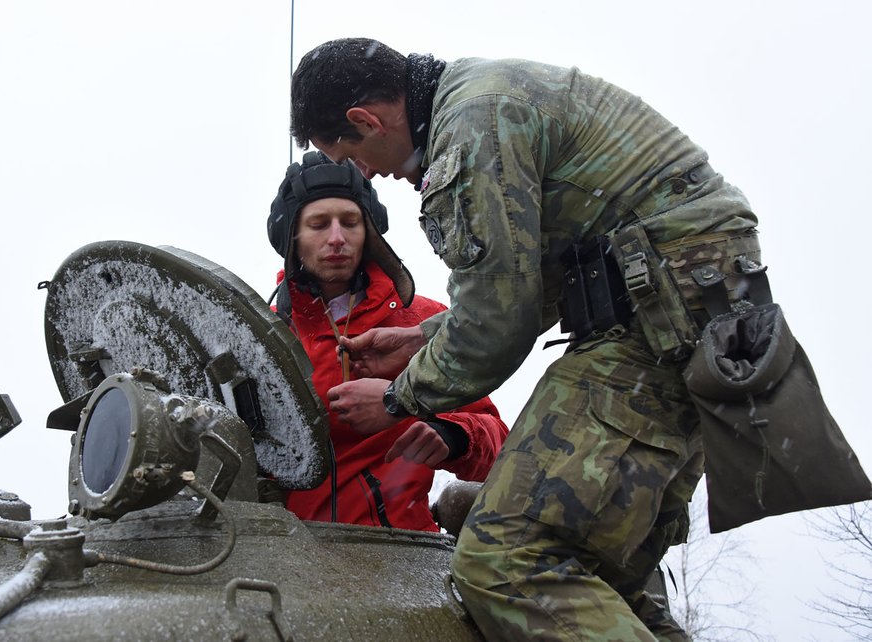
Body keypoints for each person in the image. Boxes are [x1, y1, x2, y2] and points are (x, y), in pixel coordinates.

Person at [288, 37, 768, 641]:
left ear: (366, 121)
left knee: (504, 558)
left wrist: (394, 399)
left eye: (350, 155)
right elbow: (532, 283)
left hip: (654, 325)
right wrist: (421, 342)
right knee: (596, 579)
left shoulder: (472, 131)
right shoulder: (482, 99)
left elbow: (498, 324)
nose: (364, 174)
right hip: (694, 320)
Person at [267, 151, 508, 533]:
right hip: (287, 555)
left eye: (350, 222)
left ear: (370, 233)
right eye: (317, 224)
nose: (336, 238)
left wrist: (451, 434)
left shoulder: (422, 323)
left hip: (400, 553)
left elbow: (498, 442)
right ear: (291, 236)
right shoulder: (266, 333)